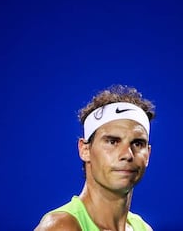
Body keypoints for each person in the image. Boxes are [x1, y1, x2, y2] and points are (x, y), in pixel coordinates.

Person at [35, 85, 155, 231]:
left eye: (137, 143)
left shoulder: (143, 228)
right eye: (112, 142)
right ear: (85, 149)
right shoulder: (61, 227)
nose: (127, 154)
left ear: (148, 154)